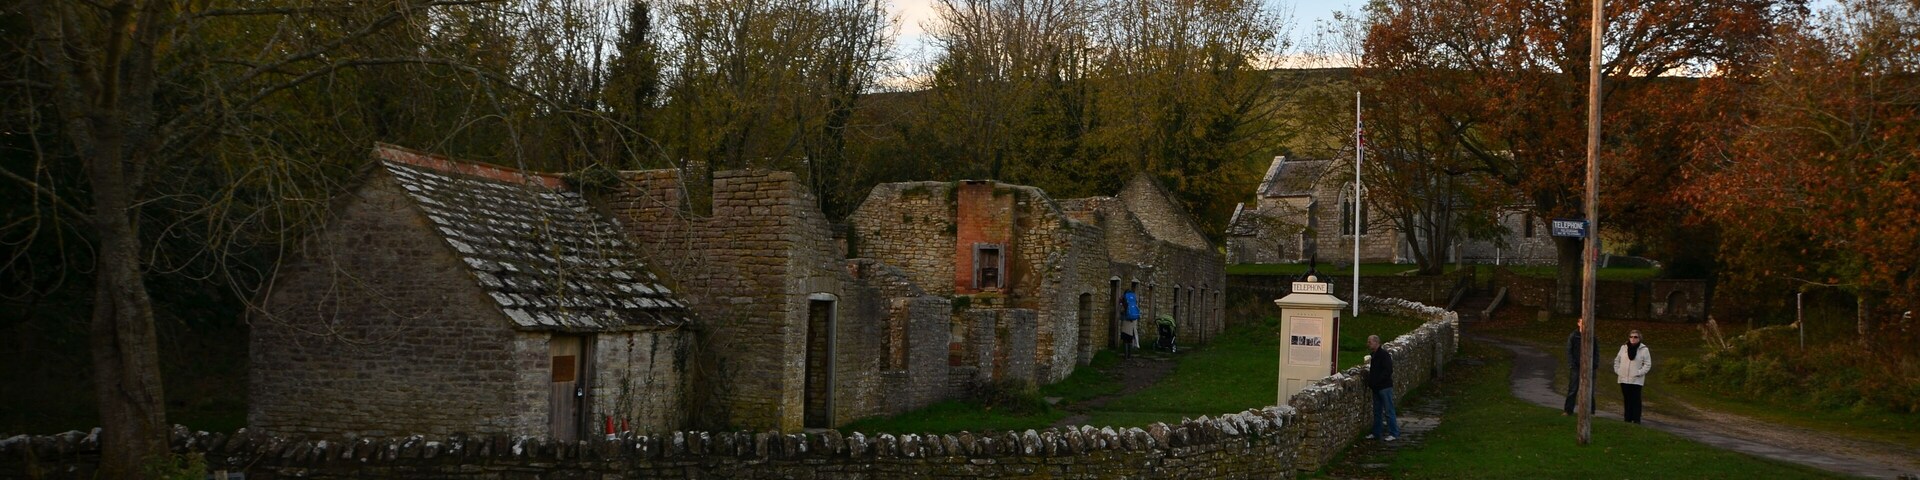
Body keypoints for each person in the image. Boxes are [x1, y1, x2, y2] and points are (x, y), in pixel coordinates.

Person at [1365, 335, 1399, 441]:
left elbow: (1388, 370)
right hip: (1376, 387)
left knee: (1389, 411)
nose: (1368, 344)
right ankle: (1376, 432)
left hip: (1384, 387)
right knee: (1377, 411)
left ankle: (1394, 433)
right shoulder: (1375, 355)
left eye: (1370, 342)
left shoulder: (1384, 355)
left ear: (1376, 342)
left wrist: (1377, 380)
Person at [1614, 329, 1653, 423]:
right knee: (1627, 399)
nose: (1633, 339)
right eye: (1631, 336)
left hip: (1636, 379)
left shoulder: (1644, 350)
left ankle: (1636, 419)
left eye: (1635, 337)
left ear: (1639, 338)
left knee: (1635, 399)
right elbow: (1617, 360)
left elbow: (1647, 364)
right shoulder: (1623, 348)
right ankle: (1627, 418)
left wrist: (1639, 372)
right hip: (1623, 378)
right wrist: (1618, 371)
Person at [1564, 318, 1599, 416]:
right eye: (1582, 322)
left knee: (1590, 389)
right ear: (1578, 323)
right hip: (1576, 366)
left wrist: (1594, 364)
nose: (1584, 325)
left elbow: (1596, 352)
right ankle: (1568, 410)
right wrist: (1572, 364)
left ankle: (1591, 411)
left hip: (1589, 367)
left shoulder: (1592, 336)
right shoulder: (1574, 336)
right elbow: (1569, 350)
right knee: (1573, 389)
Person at [1120, 287, 1141, 357]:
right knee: (1130, 339)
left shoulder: (1124, 300)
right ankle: (1129, 355)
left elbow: (1122, 310)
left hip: (1126, 321)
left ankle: (1126, 356)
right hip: (1133, 321)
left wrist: (1120, 303)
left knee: (1125, 339)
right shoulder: (1134, 300)